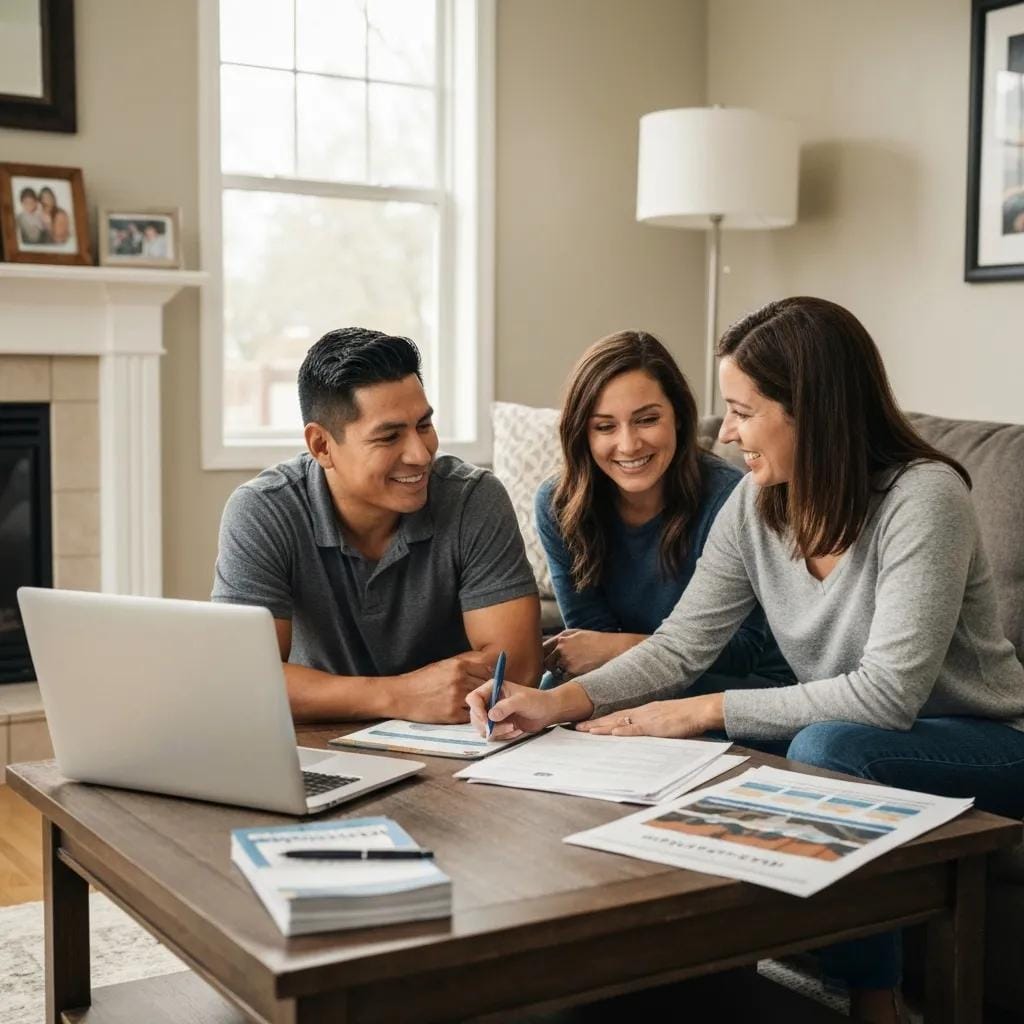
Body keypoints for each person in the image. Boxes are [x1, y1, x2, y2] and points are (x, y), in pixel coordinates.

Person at [469, 297, 1024, 1024]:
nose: (726, 432)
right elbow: (681, 645)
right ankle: (681, 970)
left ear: (811, 409)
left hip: (981, 743)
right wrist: (558, 704)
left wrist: (706, 707)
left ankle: (874, 1001)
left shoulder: (925, 498)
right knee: (674, 741)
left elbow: (890, 697)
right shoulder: (759, 503)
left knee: (824, 745)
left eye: (742, 410)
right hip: (852, 729)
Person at [213, 327, 542, 724]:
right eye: (389, 437)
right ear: (321, 445)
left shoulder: (474, 499)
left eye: (423, 425)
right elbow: (243, 679)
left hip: (454, 740)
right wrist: (399, 696)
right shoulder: (263, 511)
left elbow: (518, 666)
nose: (421, 455)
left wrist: (320, 690)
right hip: (318, 741)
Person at [534, 329, 790, 688]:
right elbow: (592, 641)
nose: (629, 444)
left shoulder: (732, 498)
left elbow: (745, 649)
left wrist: (621, 648)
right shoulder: (557, 505)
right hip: (641, 672)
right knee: (553, 689)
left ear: (679, 417)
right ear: (582, 434)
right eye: (605, 426)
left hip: (738, 681)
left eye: (647, 419)